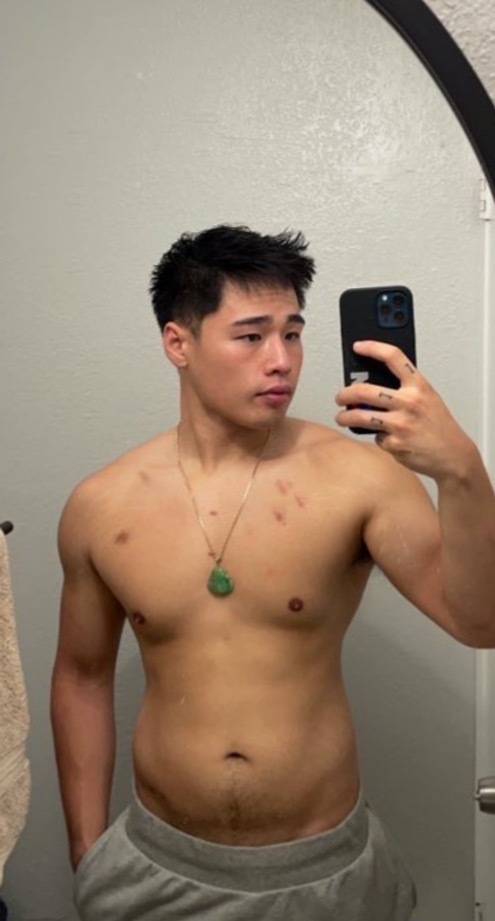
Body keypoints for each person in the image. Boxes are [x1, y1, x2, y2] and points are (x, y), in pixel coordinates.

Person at [51, 224, 495, 921]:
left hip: (326, 874)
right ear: (178, 343)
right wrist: (86, 850)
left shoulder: (360, 479)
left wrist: (462, 472)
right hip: (155, 869)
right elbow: (81, 677)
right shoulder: (103, 506)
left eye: (292, 333)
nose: (281, 360)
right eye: (251, 336)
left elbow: (480, 623)